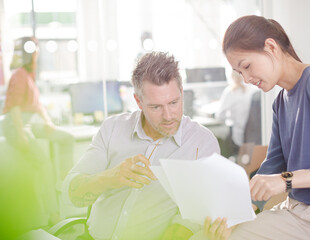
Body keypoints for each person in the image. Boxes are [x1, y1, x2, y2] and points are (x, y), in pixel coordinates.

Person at [202, 15, 310, 240]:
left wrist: (286, 180)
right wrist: (239, 213)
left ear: (271, 46)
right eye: (239, 73)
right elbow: (273, 165)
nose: (246, 78)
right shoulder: (281, 102)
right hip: (297, 211)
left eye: (246, 66)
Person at [63, 51, 220, 240]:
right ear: (138, 101)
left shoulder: (201, 144)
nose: (169, 116)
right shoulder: (113, 128)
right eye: (156, 107)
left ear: (181, 92)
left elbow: (191, 219)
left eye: (174, 102)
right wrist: (110, 177)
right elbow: (72, 192)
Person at [1, 37, 74, 237]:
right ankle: (53, 213)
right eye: (33, 52)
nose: (36, 56)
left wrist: (47, 121)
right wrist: (21, 132)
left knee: (67, 138)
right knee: (44, 164)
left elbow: (38, 105)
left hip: (31, 121)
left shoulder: (29, 76)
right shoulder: (18, 75)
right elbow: (14, 106)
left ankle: (64, 178)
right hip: (16, 124)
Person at [215, 70, 256, 157]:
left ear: (232, 77)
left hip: (238, 138)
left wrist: (231, 117)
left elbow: (220, 115)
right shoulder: (254, 90)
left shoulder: (230, 92)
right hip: (253, 137)